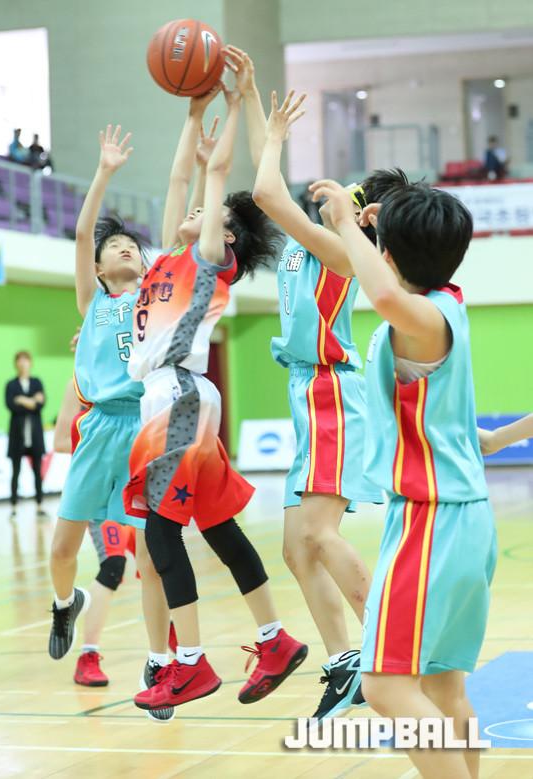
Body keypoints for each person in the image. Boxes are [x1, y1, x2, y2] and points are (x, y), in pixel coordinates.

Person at [125, 74, 307, 715]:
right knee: (218, 526)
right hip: (177, 399)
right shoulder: (162, 260)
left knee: (160, 536)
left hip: (175, 397)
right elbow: (181, 179)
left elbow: (213, 175)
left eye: (209, 214)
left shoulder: (208, 259)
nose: (194, 212)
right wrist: (192, 116)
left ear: (226, 237)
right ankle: (274, 639)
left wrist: (232, 108)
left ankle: (191, 664)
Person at [309, 175, 497, 778]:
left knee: (386, 685)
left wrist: (346, 222)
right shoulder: (448, 303)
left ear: (389, 252)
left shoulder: (416, 316)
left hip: (429, 521)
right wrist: (377, 228)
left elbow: (386, 297)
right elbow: (389, 283)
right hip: (462, 518)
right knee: (443, 687)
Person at [233, 58, 387, 718]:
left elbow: (268, 194)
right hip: (307, 394)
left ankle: (389, 645)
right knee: (297, 548)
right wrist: (249, 100)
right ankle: (346, 662)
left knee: (320, 534)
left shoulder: (339, 250)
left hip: (331, 395)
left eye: (351, 192)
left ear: (362, 215)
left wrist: (275, 138)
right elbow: (266, 181)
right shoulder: (310, 243)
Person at [47, 124, 173, 722]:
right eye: (114, 246)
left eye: (132, 246)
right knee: (62, 549)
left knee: (149, 556)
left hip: (143, 429)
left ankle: (158, 662)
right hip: (99, 431)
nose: (125, 248)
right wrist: (104, 172)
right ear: (97, 268)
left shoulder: (154, 301)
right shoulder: (92, 302)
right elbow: (81, 232)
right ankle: (64, 605)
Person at [53, 376, 178, 691]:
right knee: (113, 566)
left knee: (155, 565)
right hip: (102, 487)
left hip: (134, 478)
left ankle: (169, 642)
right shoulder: (80, 384)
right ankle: (88, 655)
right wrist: (98, 439)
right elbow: (60, 442)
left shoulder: (138, 377)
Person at [5, 351, 46, 515]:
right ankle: (14, 506)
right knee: (15, 471)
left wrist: (21, 399)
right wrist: (32, 400)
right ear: (16, 364)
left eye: (26, 360)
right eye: (20, 360)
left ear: (30, 362)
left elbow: (40, 404)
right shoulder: (11, 384)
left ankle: (39, 505)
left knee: (37, 471)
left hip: (35, 435)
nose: (23, 363)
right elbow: (11, 405)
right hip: (18, 435)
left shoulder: (36, 382)